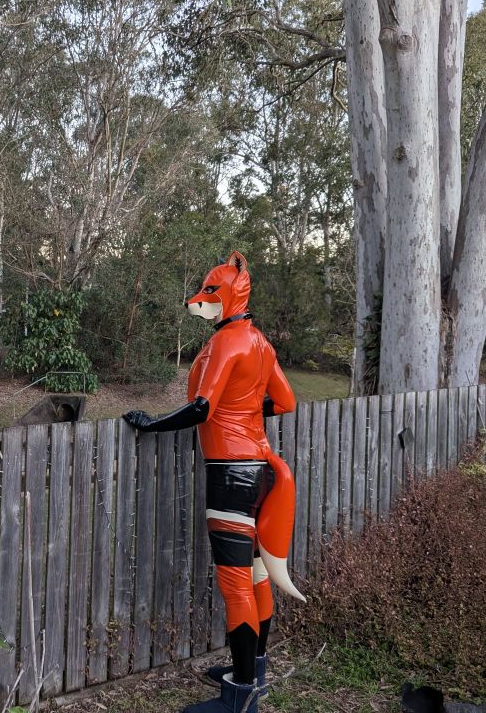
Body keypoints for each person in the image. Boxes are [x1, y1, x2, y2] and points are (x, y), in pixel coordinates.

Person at [123, 251, 302, 713]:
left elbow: (202, 408)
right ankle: (253, 670)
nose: (199, 301)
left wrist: (151, 424)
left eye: (209, 294)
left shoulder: (227, 342)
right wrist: (244, 412)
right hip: (261, 468)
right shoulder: (259, 341)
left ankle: (240, 697)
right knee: (258, 575)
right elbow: (284, 402)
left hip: (230, 472)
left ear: (229, 296)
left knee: (236, 584)